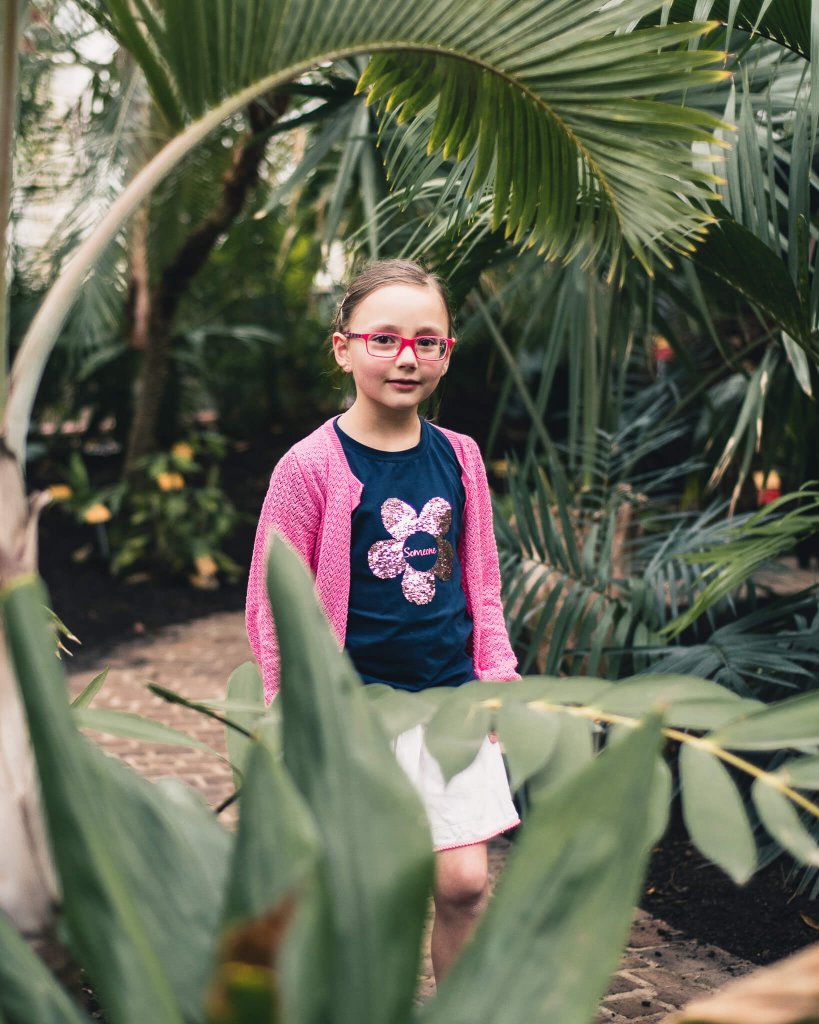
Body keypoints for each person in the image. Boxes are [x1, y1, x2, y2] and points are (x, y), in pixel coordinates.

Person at [246, 258, 520, 981]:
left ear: (445, 353)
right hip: (352, 713)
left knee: (461, 886)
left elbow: (482, 584)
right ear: (343, 346)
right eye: (385, 339)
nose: (407, 357)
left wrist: (496, 682)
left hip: (447, 700)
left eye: (427, 341)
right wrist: (297, 717)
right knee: (358, 897)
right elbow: (273, 607)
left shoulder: (460, 458)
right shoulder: (308, 468)